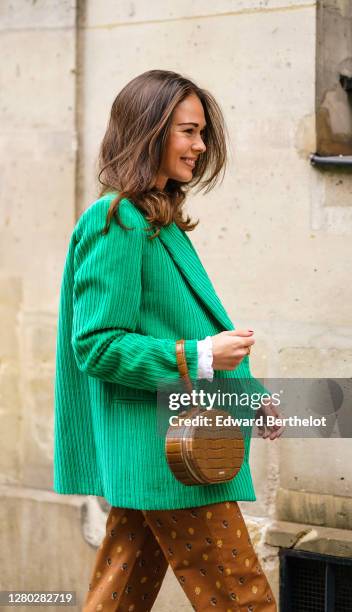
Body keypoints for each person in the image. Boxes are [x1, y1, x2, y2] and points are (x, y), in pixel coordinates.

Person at [53, 69, 280, 611]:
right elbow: (97, 346)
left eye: (202, 133)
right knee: (241, 598)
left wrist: (250, 401)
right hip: (169, 454)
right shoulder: (115, 221)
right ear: (148, 131)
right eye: (187, 131)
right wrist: (201, 355)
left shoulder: (157, 220)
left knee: (119, 594)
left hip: (159, 449)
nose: (200, 146)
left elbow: (175, 327)